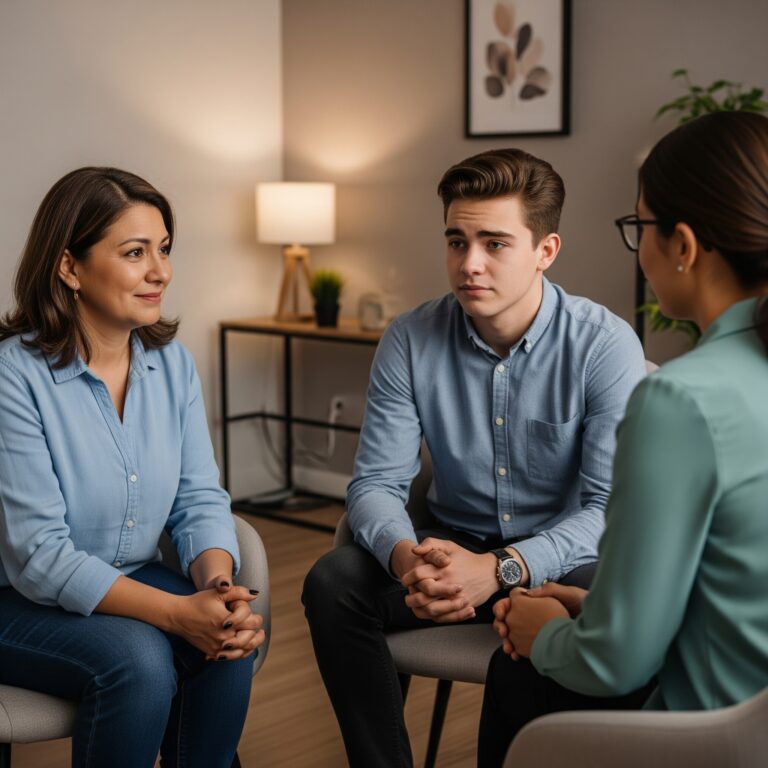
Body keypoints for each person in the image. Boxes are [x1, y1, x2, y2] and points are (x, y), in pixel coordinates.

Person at [302, 148, 647, 767]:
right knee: (332, 582)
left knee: (601, 612)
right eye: (456, 241)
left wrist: (501, 569)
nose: (469, 264)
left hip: (567, 562)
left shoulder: (603, 345)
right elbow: (376, 483)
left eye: (495, 243)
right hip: (448, 545)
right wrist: (409, 558)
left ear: (546, 251)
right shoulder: (410, 338)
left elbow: (605, 510)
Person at [479, 110, 768, 767]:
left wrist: (547, 630)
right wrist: (600, 607)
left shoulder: (679, 400)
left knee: (518, 669)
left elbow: (615, 663)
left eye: (641, 227)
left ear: (685, 246)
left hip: (711, 734)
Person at [0, 167, 264, 768]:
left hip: (134, 578)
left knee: (228, 643)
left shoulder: (172, 364)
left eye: (164, 250)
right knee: (140, 662)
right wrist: (174, 612)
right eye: (135, 253)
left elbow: (198, 498)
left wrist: (216, 588)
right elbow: (39, 556)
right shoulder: (12, 375)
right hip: (16, 596)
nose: (160, 272)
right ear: (69, 266)